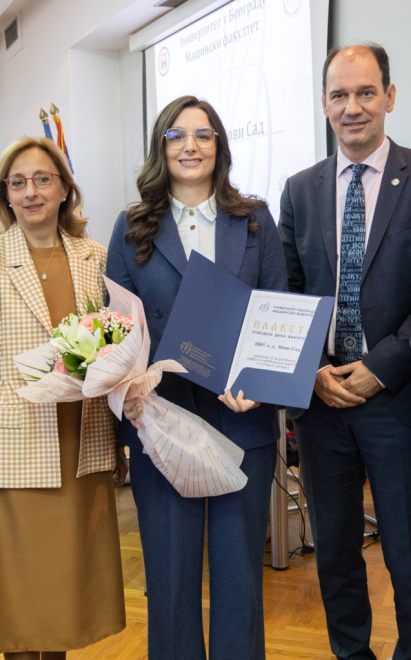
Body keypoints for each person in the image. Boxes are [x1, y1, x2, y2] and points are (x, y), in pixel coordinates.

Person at [278, 44, 411, 660]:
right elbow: (289, 291)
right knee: (333, 553)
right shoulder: (299, 189)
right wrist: (314, 370)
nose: (352, 107)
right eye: (339, 95)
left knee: (410, 555)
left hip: (398, 400)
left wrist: (378, 369)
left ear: (389, 96)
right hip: (322, 401)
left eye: (365, 93)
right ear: (324, 103)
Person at [107, 95, 288, 660]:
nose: (191, 146)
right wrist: (128, 389)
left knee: (239, 579)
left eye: (203, 135)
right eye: (177, 135)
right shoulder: (132, 227)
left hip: (243, 422)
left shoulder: (254, 220)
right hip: (162, 425)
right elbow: (116, 328)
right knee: (169, 580)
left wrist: (258, 387)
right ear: (160, 148)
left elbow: (276, 309)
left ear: (219, 147)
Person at [0, 137, 127, 660]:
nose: (31, 192)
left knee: (66, 593)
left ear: (64, 188)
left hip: (82, 445)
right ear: (5, 194)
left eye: (42, 179)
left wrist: (117, 445)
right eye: (18, 182)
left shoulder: (97, 258)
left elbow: (113, 354)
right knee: (21, 597)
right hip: (14, 449)